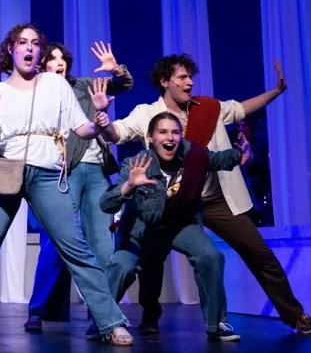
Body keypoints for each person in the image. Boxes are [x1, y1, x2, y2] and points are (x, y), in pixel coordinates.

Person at [102, 53, 311, 335]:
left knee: (258, 252)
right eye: (182, 77)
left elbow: (242, 109)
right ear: (164, 81)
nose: (189, 82)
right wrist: (101, 121)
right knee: (152, 259)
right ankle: (149, 317)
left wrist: (277, 91)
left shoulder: (208, 108)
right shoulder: (147, 113)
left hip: (215, 199)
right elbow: (116, 132)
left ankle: (295, 316)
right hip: (174, 204)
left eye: (190, 77)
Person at [0, 24, 133, 346]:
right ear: (11, 50)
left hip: (46, 172)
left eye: (35, 43)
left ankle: (111, 321)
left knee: (75, 247)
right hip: (4, 165)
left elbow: (81, 129)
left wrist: (99, 118)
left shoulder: (55, 86)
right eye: (22, 42)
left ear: (39, 53)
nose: (29, 48)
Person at [101, 112, 251, 342]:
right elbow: (106, 203)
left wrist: (240, 153)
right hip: (140, 229)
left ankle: (216, 323)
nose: (169, 138)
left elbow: (217, 159)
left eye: (175, 132)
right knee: (124, 266)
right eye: (162, 132)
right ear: (150, 137)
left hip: (177, 224)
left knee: (210, 256)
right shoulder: (136, 163)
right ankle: (103, 321)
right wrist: (130, 184)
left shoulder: (193, 157)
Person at [26, 41, 134, 329]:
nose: (59, 63)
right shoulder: (36, 94)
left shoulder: (84, 85)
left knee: (101, 242)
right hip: (64, 171)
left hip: (97, 171)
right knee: (55, 241)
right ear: (42, 65)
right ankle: (38, 310)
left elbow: (123, 84)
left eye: (62, 59)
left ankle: (103, 309)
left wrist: (116, 69)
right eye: (52, 58)